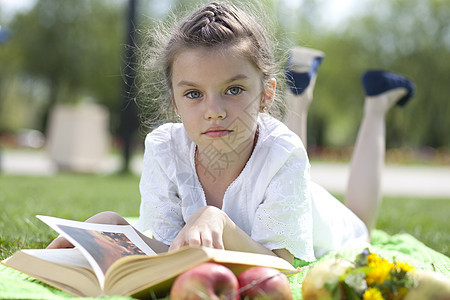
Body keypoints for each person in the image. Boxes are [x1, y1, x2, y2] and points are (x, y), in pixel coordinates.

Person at [48, 1, 415, 265]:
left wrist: (218, 219)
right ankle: (299, 96)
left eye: (234, 89)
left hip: (324, 218)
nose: (215, 110)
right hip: (276, 173)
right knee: (279, 144)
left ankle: (376, 104)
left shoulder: (283, 150)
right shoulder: (164, 148)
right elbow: (170, 250)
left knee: (361, 227)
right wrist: (118, 230)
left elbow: (282, 264)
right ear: (174, 102)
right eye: (193, 94)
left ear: (266, 94)